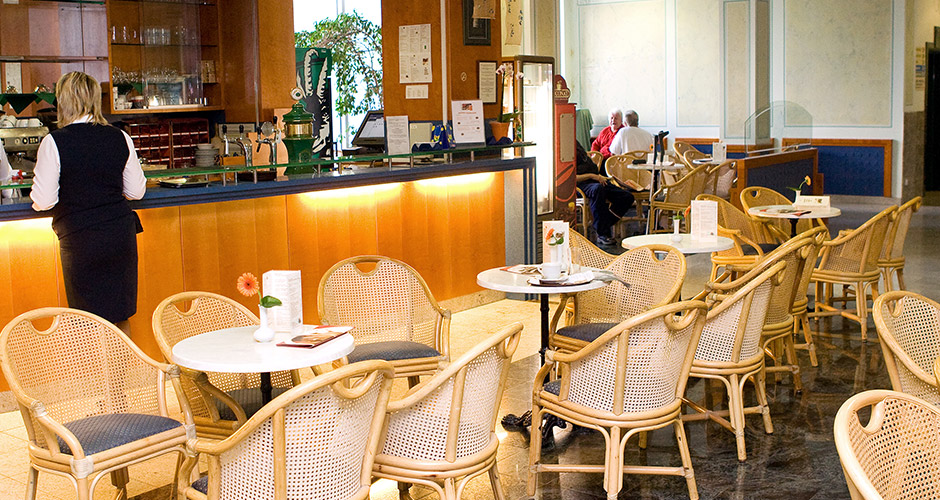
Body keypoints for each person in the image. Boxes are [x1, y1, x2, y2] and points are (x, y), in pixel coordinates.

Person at [30, 72, 146, 334]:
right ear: (95, 99)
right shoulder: (120, 137)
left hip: (81, 240)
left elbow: (44, 200)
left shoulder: (54, 141)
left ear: (62, 100)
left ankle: (97, 365)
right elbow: (136, 191)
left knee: (87, 321)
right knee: (121, 316)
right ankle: (123, 364)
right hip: (119, 235)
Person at [576, 141, 634, 246]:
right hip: (580, 185)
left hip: (595, 181)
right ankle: (603, 233)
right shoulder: (566, 153)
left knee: (627, 197)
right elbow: (572, 177)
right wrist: (592, 176)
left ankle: (603, 223)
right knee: (597, 190)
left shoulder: (578, 147)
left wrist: (598, 177)